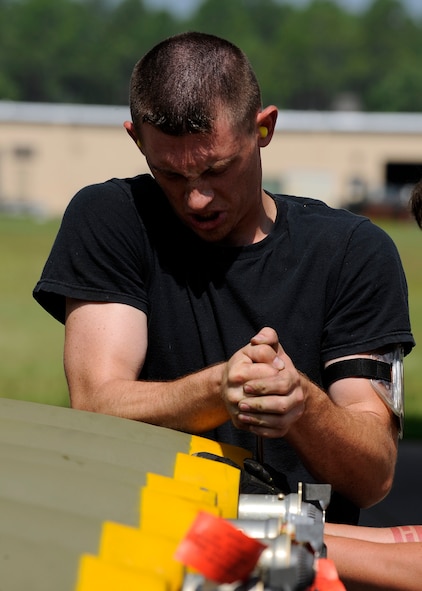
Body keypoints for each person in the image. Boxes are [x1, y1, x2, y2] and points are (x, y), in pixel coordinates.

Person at [33, 31, 414, 524]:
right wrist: (218, 390)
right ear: (135, 138)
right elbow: (97, 403)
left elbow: (373, 477)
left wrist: (301, 405)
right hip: (143, 552)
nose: (197, 198)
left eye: (217, 169)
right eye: (170, 174)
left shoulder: (353, 251)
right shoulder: (112, 217)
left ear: (264, 129)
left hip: (304, 566)